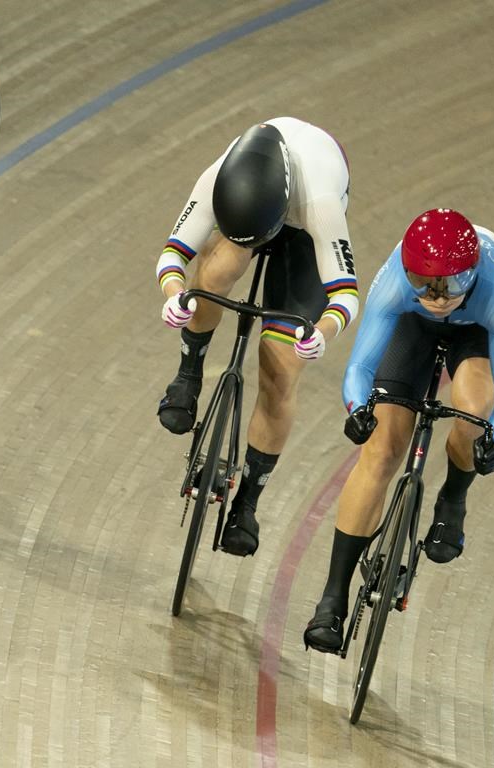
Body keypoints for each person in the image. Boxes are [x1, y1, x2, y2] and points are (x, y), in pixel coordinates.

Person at [302, 207, 494, 652]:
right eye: (425, 285)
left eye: (451, 286)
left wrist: (492, 438)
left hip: (475, 331)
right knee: (381, 450)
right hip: (412, 329)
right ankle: (332, 599)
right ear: (409, 273)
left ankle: (453, 498)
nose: (439, 298)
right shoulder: (396, 285)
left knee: (475, 410)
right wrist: (357, 409)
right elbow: (361, 367)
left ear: (473, 273)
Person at [155, 117, 360, 557]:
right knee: (214, 273)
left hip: (301, 233)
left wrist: (322, 333)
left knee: (280, 371)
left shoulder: (320, 204)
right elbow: (174, 253)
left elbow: (345, 295)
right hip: (249, 211)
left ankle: (246, 503)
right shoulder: (216, 180)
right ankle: (187, 375)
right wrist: (176, 295)